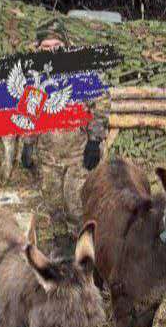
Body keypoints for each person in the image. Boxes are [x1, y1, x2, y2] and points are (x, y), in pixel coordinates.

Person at [21, 18, 106, 239]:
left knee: (75, 205)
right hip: (48, 157)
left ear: (65, 47)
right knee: (53, 205)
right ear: (38, 49)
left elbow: (100, 105)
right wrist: (28, 145)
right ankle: (61, 246)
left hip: (78, 155)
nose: (51, 52)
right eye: (45, 48)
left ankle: (81, 246)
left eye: (56, 47)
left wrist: (95, 142)